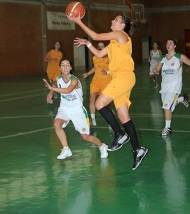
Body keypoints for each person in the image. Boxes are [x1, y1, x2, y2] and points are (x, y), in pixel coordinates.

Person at [68, 14, 148, 170]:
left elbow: (97, 35)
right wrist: (87, 43)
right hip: (121, 77)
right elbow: (98, 54)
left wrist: (78, 21)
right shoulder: (114, 43)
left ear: (122, 25)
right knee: (124, 116)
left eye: (116, 20)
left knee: (99, 103)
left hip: (123, 77)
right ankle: (138, 149)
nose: (112, 21)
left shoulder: (120, 35)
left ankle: (120, 135)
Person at [43, 59, 108, 160]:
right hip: (64, 108)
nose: (65, 67)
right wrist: (50, 93)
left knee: (85, 137)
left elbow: (68, 90)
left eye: (67, 65)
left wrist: (52, 90)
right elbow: (55, 83)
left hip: (77, 110)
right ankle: (66, 149)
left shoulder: (74, 80)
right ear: (59, 68)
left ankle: (102, 146)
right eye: (63, 65)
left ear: (70, 68)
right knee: (56, 123)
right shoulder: (58, 78)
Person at [153, 39, 190, 136]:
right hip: (164, 86)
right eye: (167, 43)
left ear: (175, 46)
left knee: (167, 106)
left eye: (171, 43)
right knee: (169, 106)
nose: (168, 45)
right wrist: (155, 70)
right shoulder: (162, 58)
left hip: (175, 85)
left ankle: (167, 128)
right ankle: (182, 99)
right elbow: (157, 68)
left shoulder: (179, 57)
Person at [82, 41, 112, 126]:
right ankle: (93, 119)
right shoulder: (95, 57)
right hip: (96, 81)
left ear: (105, 48)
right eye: (99, 46)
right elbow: (95, 68)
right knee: (92, 99)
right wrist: (87, 74)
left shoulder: (109, 57)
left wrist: (108, 72)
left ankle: (110, 118)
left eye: (102, 46)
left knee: (107, 104)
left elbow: (115, 68)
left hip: (106, 82)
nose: (100, 48)